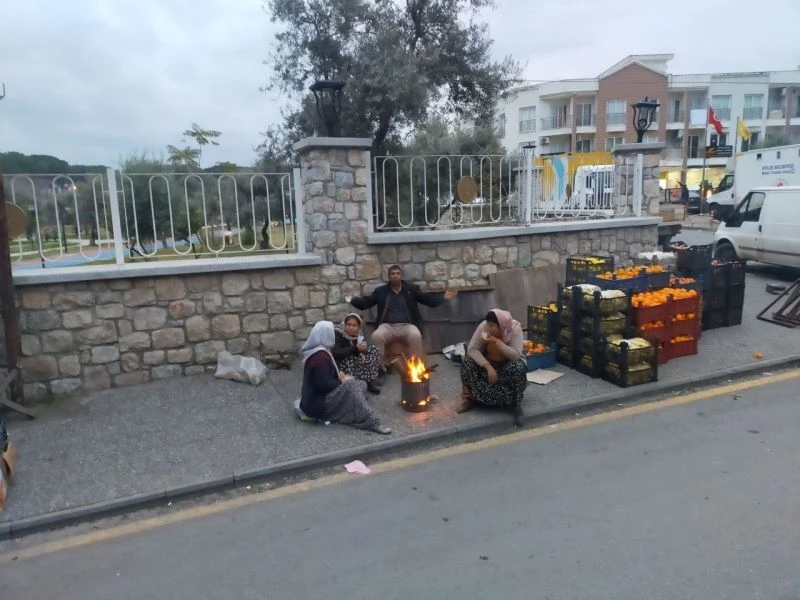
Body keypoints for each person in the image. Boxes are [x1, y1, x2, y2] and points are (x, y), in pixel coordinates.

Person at [346, 265, 458, 363]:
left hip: (407, 326)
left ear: (401, 276)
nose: (395, 276)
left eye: (397, 273)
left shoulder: (411, 289)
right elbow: (366, 302)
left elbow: (427, 299)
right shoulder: (381, 292)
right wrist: (352, 299)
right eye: (392, 274)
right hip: (387, 326)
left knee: (416, 335)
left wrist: (443, 298)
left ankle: (415, 366)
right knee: (376, 336)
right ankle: (378, 368)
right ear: (389, 277)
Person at [296, 321, 391, 434]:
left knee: (361, 384)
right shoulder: (319, 357)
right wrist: (342, 381)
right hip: (317, 405)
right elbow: (323, 385)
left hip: (319, 398)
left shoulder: (323, 351)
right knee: (351, 385)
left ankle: (357, 403)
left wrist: (339, 376)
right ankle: (372, 421)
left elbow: (325, 378)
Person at [456, 309, 527, 426]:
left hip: (506, 366)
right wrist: (487, 366)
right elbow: (472, 349)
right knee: (467, 361)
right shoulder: (483, 327)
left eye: (492, 325)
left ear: (501, 326)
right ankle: (469, 398)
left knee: (517, 367)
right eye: (488, 324)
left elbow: (515, 355)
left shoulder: (514, 329)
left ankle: (515, 406)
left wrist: (497, 342)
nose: (488, 328)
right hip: (488, 365)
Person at [331, 313, 383, 395]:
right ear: (344, 324)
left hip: (355, 362)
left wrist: (363, 350)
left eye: (354, 325)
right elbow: (335, 353)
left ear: (359, 327)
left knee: (374, 350)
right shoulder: (338, 334)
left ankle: (369, 381)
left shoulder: (358, 335)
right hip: (342, 366)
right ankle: (355, 386)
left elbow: (359, 352)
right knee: (349, 358)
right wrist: (355, 348)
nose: (351, 328)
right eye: (349, 324)